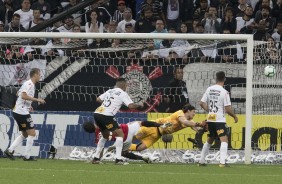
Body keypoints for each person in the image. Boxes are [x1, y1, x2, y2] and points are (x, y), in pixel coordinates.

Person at [92, 77, 143, 165]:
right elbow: (131, 106)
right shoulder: (122, 94)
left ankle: (96, 159)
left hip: (97, 113)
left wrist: (107, 105)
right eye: (127, 85)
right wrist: (139, 104)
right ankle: (118, 159)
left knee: (105, 135)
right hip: (106, 116)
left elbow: (98, 99)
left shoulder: (110, 91)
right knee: (120, 134)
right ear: (124, 85)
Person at [198, 71, 238, 167]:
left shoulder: (209, 89)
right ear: (224, 79)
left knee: (210, 139)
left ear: (216, 78)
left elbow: (201, 103)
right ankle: (222, 162)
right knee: (224, 140)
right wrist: (235, 116)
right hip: (219, 120)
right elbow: (228, 109)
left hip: (211, 119)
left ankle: (201, 161)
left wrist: (210, 110)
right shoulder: (224, 92)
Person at [4, 68, 46, 161]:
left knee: (25, 134)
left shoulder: (28, 84)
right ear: (35, 75)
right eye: (39, 74)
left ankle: (10, 150)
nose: (40, 76)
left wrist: (28, 105)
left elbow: (18, 93)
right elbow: (23, 95)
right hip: (21, 112)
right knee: (32, 133)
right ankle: (27, 156)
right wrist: (37, 99)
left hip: (19, 111)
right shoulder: (29, 84)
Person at [83, 121, 172, 163]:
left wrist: (96, 159)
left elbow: (100, 150)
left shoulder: (97, 137)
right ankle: (161, 125)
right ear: (93, 123)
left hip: (124, 140)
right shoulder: (102, 123)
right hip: (127, 129)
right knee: (142, 123)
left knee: (122, 153)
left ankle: (142, 158)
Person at [129, 104, 205, 151]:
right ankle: (120, 146)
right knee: (134, 137)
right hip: (154, 127)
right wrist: (198, 124)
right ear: (188, 111)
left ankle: (121, 148)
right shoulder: (180, 113)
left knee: (140, 148)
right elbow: (185, 122)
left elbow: (198, 130)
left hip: (157, 135)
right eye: (193, 112)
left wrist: (204, 128)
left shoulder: (190, 121)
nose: (194, 114)